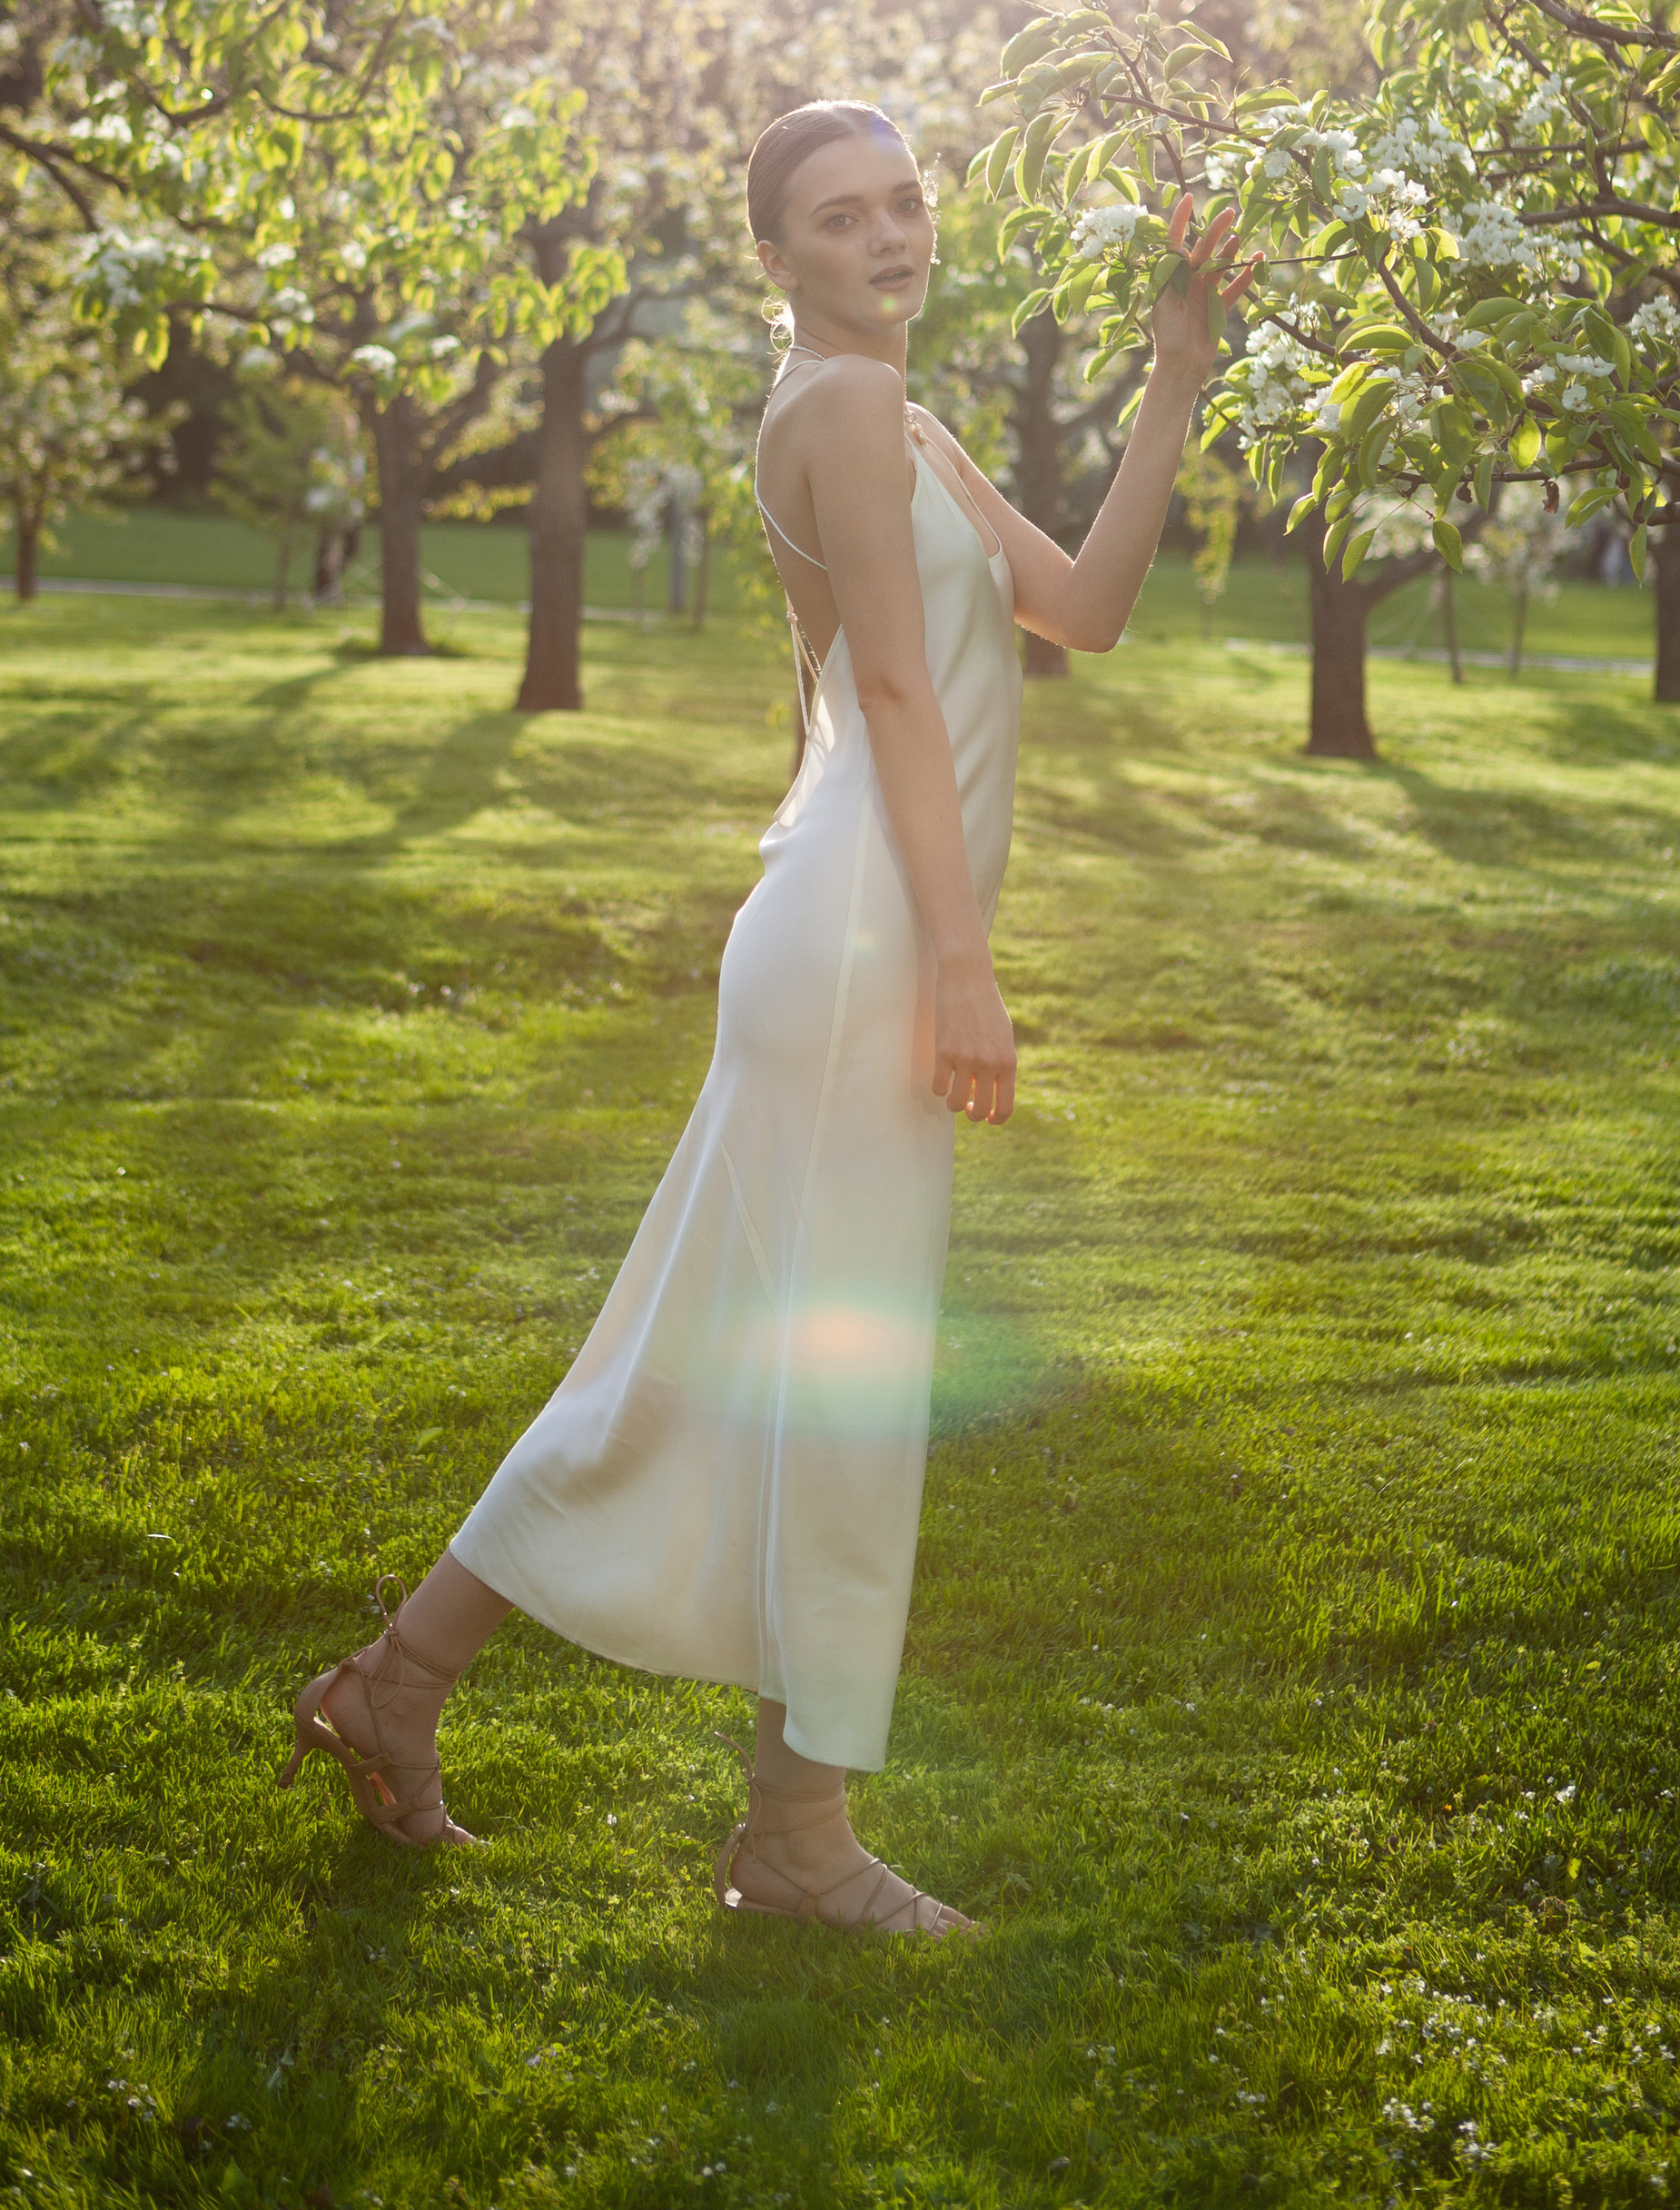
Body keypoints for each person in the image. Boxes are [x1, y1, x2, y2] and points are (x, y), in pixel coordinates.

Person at [278, 99, 1249, 1936]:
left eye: (904, 200)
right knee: (845, 1393)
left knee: (681, 1358)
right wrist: (960, 967)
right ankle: (795, 1840)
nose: (889, 235)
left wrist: (1173, 374)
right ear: (775, 255)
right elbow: (890, 687)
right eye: (839, 215)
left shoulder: (894, 412)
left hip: (845, 921)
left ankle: (393, 1685)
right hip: (867, 940)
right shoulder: (844, 408)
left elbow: (1089, 612)